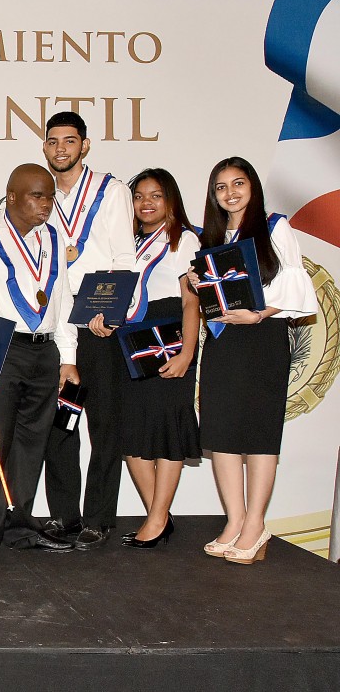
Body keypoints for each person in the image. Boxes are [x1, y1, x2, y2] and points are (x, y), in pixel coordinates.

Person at [187, 157, 317, 564]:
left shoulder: (275, 226)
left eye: (238, 183)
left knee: (258, 433)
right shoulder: (209, 238)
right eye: (221, 187)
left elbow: (295, 284)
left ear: (253, 186)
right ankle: (235, 520)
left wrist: (260, 313)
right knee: (222, 432)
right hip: (225, 342)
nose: (231, 193)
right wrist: (198, 283)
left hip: (263, 337)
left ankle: (257, 524)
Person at [0, 164, 79, 564]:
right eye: (36, 196)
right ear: (12, 196)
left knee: (32, 443)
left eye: (49, 196)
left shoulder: (53, 237)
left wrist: (68, 357)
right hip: (3, 349)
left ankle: (20, 526)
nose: (46, 204)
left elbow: (61, 300)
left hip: (44, 351)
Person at [39, 111, 136, 550]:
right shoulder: (39, 197)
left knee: (104, 425)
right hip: (60, 326)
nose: (61, 148)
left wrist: (111, 313)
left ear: (85, 145)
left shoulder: (112, 191)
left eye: (70, 140)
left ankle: (99, 517)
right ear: (45, 147)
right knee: (62, 424)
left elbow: (123, 258)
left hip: (98, 325)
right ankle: (64, 515)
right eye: (54, 141)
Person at [115, 169, 202, 549]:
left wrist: (187, 352)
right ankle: (159, 516)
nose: (146, 203)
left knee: (168, 431)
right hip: (132, 339)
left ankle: (155, 520)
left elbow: (191, 300)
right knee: (131, 434)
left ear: (171, 200)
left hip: (170, 338)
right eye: (139, 196)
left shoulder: (184, 239)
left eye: (156, 195)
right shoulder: (126, 241)